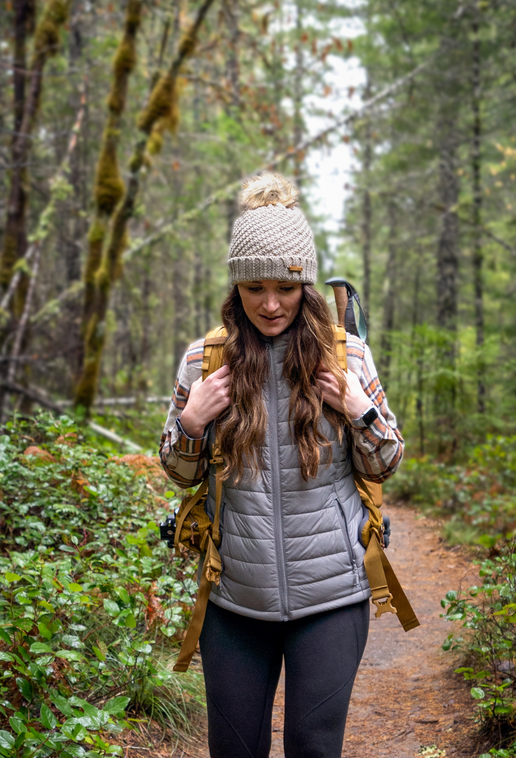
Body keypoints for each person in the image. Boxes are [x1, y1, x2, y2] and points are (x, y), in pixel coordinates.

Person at [159, 172, 404, 758]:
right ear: (236, 287)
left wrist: (359, 408)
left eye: (286, 288)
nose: (271, 304)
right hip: (234, 600)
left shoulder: (347, 355)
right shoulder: (203, 359)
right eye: (255, 288)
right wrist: (190, 423)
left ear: (307, 285)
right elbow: (180, 471)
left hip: (333, 597)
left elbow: (388, 459)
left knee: (313, 748)